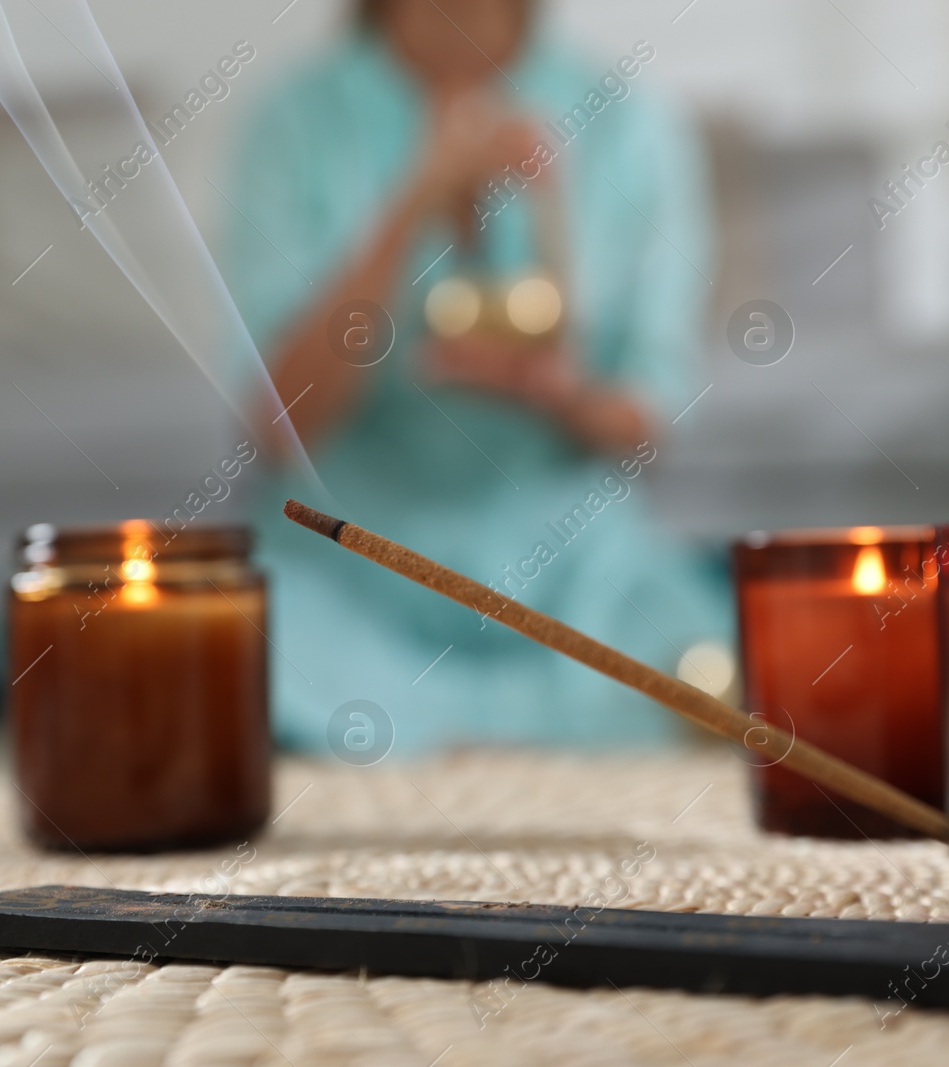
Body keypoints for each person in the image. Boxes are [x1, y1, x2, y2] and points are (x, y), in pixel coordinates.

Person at [227, 0, 729, 756]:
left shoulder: (623, 119)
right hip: (354, 555)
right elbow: (274, 425)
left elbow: (646, 414)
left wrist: (560, 396)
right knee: (238, 655)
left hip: (570, 563)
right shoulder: (295, 122)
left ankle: (450, 735)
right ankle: (495, 733)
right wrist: (413, 204)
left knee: (709, 665)